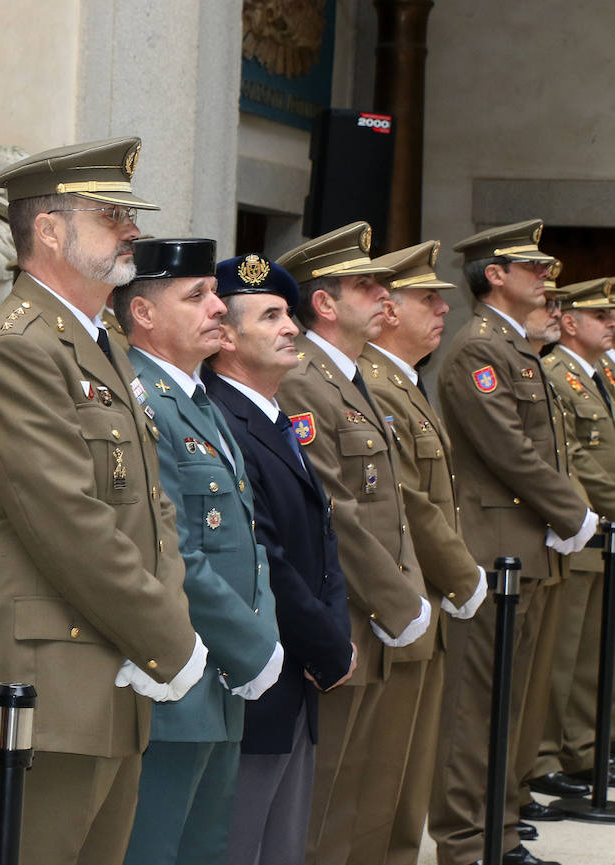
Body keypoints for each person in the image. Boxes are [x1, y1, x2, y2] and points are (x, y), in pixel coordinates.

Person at [0, 137, 204, 865]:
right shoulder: (18, 347)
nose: (132, 230)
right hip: (45, 688)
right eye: (111, 216)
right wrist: (171, 639)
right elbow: (70, 523)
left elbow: (153, 509)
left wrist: (164, 622)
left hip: (109, 678)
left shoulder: (100, 343)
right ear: (50, 231)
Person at [111, 237, 281, 865]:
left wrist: (259, 637)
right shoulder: (144, 403)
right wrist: (253, 645)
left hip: (224, 678)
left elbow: (247, 541)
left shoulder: (197, 400)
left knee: (205, 848)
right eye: (197, 296)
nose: (218, 307)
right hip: (175, 684)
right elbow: (175, 552)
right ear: (144, 314)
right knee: (157, 847)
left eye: (215, 292)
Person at [432, 220, 593, 865]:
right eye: (532, 267)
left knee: (512, 706)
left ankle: (499, 833)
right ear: (494, 275)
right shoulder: (479, 350)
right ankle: (468, 844)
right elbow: (512, 451)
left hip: (530, 549)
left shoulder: (519, 349)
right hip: (494, 549)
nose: (546, 276)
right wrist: (574, 512)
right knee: (477, 707)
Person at [274, 222, 430, 865]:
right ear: (326, 303)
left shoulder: (355, 376)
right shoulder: (307, 379)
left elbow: (389, 502)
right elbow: (336, 507)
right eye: (365, 286)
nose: (383, 297)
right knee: (324, 797)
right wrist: (399, 602)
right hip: (351, 610)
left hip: (380, 608)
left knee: (366, 785)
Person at [203, 254, 356, 865]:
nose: (291, 326)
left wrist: (334, 633)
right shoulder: (220, 417)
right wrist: (326, 643)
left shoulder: (273, 414)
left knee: (282, 844)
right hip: (259, 673)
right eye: (270, 316)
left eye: (289, 313)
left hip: (300, 671)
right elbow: (263, 551)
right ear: (227, 337)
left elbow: (322, 536)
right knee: (242, 841)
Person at [357, 239, 488, 864]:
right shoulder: (377, 386)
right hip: (398, 600)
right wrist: (465, 577)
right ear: (387, 311)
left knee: (404, 780)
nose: (442, 310)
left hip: (423, 598)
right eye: (425, 299)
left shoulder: (400, 383)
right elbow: (408, 499)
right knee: (378, 780)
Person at [529, 278, 615, 805]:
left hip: (601, 531)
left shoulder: (600, 374)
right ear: (570, 324)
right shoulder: (558, 374)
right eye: (601, 315)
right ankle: (546, 755)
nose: (611, 323)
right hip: (581, 528)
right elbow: (577, 461)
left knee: (592, 655)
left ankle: (584, 747)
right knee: (563, 656)